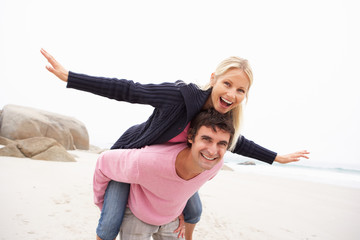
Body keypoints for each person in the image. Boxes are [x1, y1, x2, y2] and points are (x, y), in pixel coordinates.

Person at [41, 48, 310, 240]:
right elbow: (129, 90)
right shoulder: (179, 96)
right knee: (110, 224)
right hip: (133, 158)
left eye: (241, 90)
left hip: (171, 170)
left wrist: (276, 157)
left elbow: (238, 143)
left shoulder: (220, 116)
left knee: (194, 210)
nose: (232, 94)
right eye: (228, 84)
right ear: (214, 78)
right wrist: (72, 78)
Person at [94, 109, 234, 240]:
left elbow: (186, 185)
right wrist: (105, 206)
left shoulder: (215, 166)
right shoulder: (148, 161)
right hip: (138, 217)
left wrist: (178, 204)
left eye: (222, 144)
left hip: (172, 220)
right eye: (206, 139)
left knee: (195, 211)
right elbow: (103, 162)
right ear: (191, 137)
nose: (212, 151)